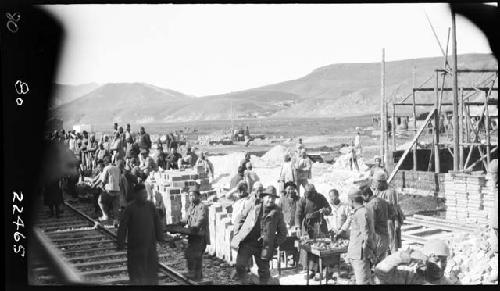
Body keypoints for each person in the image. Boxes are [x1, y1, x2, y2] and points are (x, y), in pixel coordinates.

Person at [231, 186, 287, 285]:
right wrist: (237, 233)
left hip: (264, 246)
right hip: (248, 242)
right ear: (263, 197)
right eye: (268, 197)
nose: (270, 200)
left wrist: (274, 243)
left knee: (264, 272)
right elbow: (241, 217)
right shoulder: (254, 205)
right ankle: (244, 282)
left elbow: (283, 233)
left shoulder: (277, 212)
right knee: (240, 265)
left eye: (273, 198)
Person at [117, 183, 164, 285]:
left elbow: (157, 223)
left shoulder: (151, 206)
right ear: (136, 195)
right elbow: (123, 227)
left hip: (150, 246)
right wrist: (120, 242)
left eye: (145, 193)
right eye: (142, 193)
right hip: (135, 248)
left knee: (151, 272)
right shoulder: (130, 208)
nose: (145, 195)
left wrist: (160, 238)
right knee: (137, 273)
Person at [374, 239, 452, 284]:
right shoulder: (410, 277)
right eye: (436, 260)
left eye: (444, 261)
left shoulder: (447, 283)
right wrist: (402, 257)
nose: (441, 265)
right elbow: (380, 272)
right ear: (425, 261)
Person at [295, 184, 331, 280]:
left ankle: (320, 270)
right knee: (308, 247)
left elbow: (329, 209)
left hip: (320, 224)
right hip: (307, 226)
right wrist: (298, 227)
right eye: (307, 195)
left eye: (311, 195)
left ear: (314, 192)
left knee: (320, 246)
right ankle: (310, 270)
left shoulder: (321, 198)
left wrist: (325, 210)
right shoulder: (302, 200)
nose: (309, 197)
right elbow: (298, 214)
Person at [346, 187, 375, 285]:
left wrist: (370, 251)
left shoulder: (362, 213)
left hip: (360, 254)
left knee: (363, 281)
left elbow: (366, 235)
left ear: (352, 200)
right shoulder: (361, 211)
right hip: (356, 253)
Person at [181, 187, 209, 281]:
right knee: (189, 253)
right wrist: (179, 224)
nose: (191, 197)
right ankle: (192, 273)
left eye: (193, 195)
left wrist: (195, 227)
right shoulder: (191, 206)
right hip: (192, 236)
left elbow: (201, 219)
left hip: (200, 236)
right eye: (190, 195)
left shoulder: (202, 207)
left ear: (198, 196)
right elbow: (186, 219)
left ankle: (197, 276)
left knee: (197, 256)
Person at [372, 171, 402, 254]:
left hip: (388, 219)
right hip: (379, 219)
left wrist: (396, 222)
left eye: (376, 182)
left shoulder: (390, 192)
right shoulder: (377, 191)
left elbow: (394, 208)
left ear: (382, 182)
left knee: (391, 239)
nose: (374, 184)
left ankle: (394, 256)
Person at [361, 185, 390, 265]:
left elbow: (371, 224)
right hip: (385, 235)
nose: (362, 200)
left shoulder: (370, 205)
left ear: (367, 195)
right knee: (383, 262)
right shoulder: (383, 201)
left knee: (375, 262)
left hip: (377, 237)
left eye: (363, 197)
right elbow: (392, 215)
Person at [96, 157, 122, 226]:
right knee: (116, 206)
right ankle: (116, 220)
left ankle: (105, 215)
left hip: (109, 190)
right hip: (117, 190)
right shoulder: (117, 168)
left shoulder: (106, 168)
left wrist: (102, 186)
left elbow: (103, 180)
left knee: (100, 201)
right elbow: (119, 180)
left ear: (105, 163)